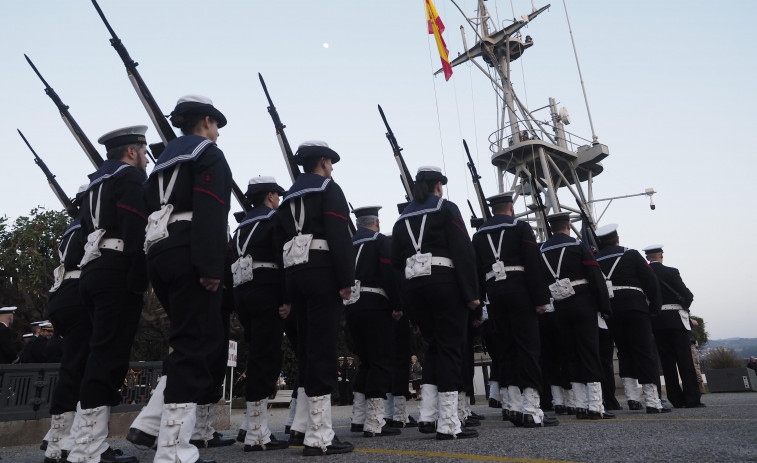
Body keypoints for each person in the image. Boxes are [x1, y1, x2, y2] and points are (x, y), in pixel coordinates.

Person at [141, 95, 234, 463]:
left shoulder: (161, 160)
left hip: (159, 251)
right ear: (207, 121)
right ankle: (174, 448)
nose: (217, 133)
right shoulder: (207, 153)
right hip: (191, 251)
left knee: (189, 339)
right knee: (197, 342)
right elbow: (213, 207)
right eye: (216, 126)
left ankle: (151, 423)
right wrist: (212, 267)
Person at [67, 125, 150, 463]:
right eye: (143, 152)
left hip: (93, 269)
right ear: (131, 152)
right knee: (109, 356)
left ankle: (82, 442)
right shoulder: (128, 177)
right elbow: (136, 229)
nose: (146, 158)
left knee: (96, 354)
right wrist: (139, 278)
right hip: (115, 269)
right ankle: (90, 448)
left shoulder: (94, 184)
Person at [391, 165, 480, 440]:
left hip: (414, 288)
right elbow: (463, 251)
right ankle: (449, 422)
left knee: (434, 349)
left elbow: (396, 263)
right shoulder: (446, 209)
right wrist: (472, 293)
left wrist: (405, 301)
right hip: (445, 283)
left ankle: (429, 415)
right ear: (438, 186)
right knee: (451, 349)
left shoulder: (401, 219)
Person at [279, 140, 355, 456]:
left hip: (296, 275)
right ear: (323, 162)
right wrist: (346, 279)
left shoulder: (287, 198)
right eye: (330, 163)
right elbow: (339, 235)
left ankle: (305, 428)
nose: (332, 169)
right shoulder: (328, 189)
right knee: (323, 350)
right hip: (324, 271)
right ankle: (320, 435)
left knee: (309, 351)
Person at [471, 191, 557, 428]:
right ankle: (531, 408)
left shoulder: (478, 237)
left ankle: (512, 405)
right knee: (528, 348)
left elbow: (476, 273)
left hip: (494, 295)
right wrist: (541, 299)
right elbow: (533, 264)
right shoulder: (520, 228)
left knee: (506, 349)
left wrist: (478, 306)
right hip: (520, 291)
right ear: (510, 208)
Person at [231, 176, 289, 452]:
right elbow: (284, 258)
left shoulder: (240, 227)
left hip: (243, 293)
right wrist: (288, 298)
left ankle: (251, 427)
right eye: (276, 195)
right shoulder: (273, 220)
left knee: (257, 355)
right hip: (268, 291)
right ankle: (257, 433)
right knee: (267, 358)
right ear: (269, 196)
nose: (278, 199)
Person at [539, 212, 613, 420]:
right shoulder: (577, 246)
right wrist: (604, 306)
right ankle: (596, 404)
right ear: (568, 225)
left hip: (559, 306)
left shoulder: (541, 251)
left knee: (570, 354)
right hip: (582, 302)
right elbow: (595, 276)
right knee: (589, 351)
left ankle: (580, 404)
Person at [595, 224, 668, 413]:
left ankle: (632, 398)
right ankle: (652, 401)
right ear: (617, 239)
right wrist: (654, 307)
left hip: (610, 309)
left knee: (624, 351)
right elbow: (650, 281)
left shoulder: (596, 259)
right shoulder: (631, 254)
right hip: (635, 306)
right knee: (644, 352)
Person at [344, 205, 402, 438]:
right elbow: (390, 276)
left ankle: (359, 418)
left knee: (366, 361)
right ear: (376, 223)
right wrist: (398, 304)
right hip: (375, 304)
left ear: (358, 224)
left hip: (351, 307)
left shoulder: (347, 244)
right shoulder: (380, 241)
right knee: (380, 360)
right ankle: (375, 421)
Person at [643, 244, 704, 408]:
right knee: (684, 359)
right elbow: (687, 295)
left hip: (656, 320)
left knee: (667, 361)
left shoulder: (643, 274)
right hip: (676, 319)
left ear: (647, 257)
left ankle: (675, 399)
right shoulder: (671, 271)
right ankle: (692, 398)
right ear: (661, 255)